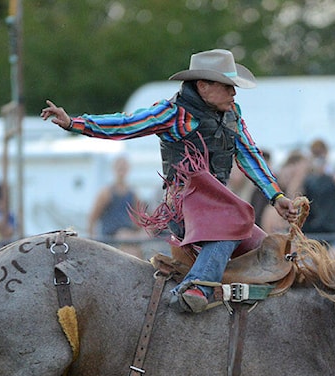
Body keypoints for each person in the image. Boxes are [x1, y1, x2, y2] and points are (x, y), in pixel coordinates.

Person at [41, 48, 297, 313]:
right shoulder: (172, 113)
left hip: (219, 206)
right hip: (186, 206)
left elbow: (249, 154)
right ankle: (194, 288)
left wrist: (275, 196)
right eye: (227, 86)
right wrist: (75, 123)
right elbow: (126, 124)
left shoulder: (233, 114)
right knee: (234, 219)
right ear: (203, 86)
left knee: (267, 251)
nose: (234, 93)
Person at [86, 156, 146, 256]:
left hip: (128, 235)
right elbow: (92, 219)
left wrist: (140, 233)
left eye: (124, 168)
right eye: (119, 168)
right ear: (114, 169)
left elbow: (139, 220)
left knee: (133, 241)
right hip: (111, 236)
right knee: (125, 239)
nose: (122, 171)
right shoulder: (106, 193)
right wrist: (93, 243)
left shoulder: (133, 194)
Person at [300, 139, 335, 237]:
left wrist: (330, 171)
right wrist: (303, 171)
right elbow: (295, 194)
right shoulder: (309, 177)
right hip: (313, 226)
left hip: (333, 227)